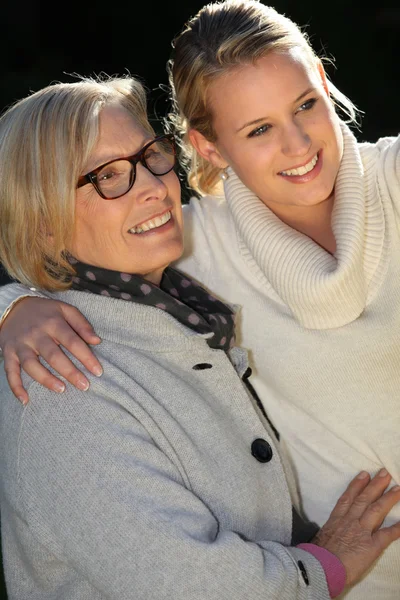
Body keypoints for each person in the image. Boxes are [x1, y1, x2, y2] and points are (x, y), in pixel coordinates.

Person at [0, 0, 399, 597]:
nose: (296, 145)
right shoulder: (171, 260)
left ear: (325, 80)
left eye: (148, 158)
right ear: (207, 147)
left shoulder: (174, 279)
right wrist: (11, 307)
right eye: (258, 129)